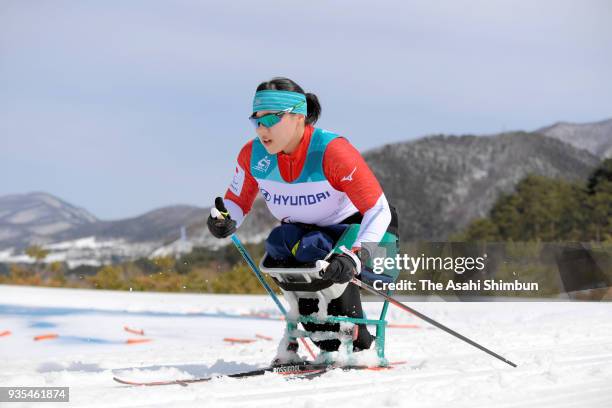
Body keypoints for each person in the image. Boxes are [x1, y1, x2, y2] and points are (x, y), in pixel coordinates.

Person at [207, 77, 398, 363]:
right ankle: (321, 336)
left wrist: (356, 256)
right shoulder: (253, 155)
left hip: (359, 230)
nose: (262, 129)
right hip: (302, 232)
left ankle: (357, 336)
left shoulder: (332, 151)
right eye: (256, 121)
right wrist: (224, 219)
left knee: (313, 249)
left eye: (270, 119)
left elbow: (379, 209)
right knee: (277, 246)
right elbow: (235, 202)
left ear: (298, 116)